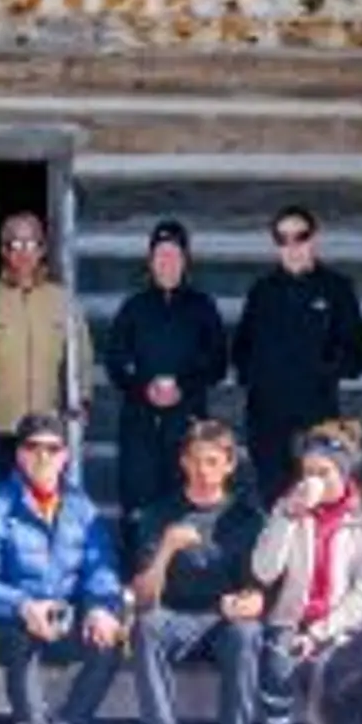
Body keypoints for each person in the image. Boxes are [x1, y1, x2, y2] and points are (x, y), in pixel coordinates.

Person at [0, 412, 125, 724]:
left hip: (58, 616)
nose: (43, 457)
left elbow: (101, 568)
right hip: (0, 621)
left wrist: (99, 607)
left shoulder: (81, 509)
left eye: (52, 449)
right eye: (33, 447)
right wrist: (22, 606)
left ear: (66, 456)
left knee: (109, 640)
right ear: (19, 454)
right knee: (21, 640)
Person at [124, 418, 267, 724]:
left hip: (223, 619)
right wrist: (166, 549)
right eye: (196, 461)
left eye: (213, 462)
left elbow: (258, 589)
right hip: (175, 616)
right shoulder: (160, 514)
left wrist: (251, 602)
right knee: (146, 626)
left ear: (229, 465)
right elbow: (144, 597)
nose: (203, 472)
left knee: (247, 633)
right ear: (183, 462)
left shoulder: (247, 518)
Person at [248, 418, 362, 724]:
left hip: (341, 623)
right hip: (292, 618)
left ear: (344, 473)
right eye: (308, 472)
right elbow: (264, 572)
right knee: (277, 663)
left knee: (339, 670)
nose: (313, 481)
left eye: (324, 473)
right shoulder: (287, 507)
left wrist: (318, 633)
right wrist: (287, 517)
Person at [232, 205, 362, 505]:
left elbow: (358, 355)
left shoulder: (336, 289)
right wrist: (258, 377)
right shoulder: (262, 292)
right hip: (268, 420)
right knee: (276, 503)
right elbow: (241, 350)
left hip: (316, 417)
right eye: (283, 239)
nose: (292, 246)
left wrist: (323, 367)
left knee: (318, 499)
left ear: (314, 239)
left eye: (300, 236)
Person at [103, 219, 228, 548]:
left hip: (187, 423)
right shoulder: (134, 308)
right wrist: (144, 387)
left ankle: (183, 572)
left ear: (185, 261)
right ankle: (138, 570)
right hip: (140, 424)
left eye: (174, 255)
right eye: (160, 255)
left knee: (185, 498)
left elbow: (217, 363)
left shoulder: (202, 307)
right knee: (138, 504)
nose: (167, 262)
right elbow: (115, 361)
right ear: (150, 261)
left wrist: (182, 386)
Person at [0, 210, 91, 492]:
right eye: (15, 244)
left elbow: (81, 359)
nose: (23, 252)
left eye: (31, 243)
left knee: (45, 506)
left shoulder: (63, 301)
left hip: (47, 431)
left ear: (42, 249)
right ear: (4, 251)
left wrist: (82, 403)